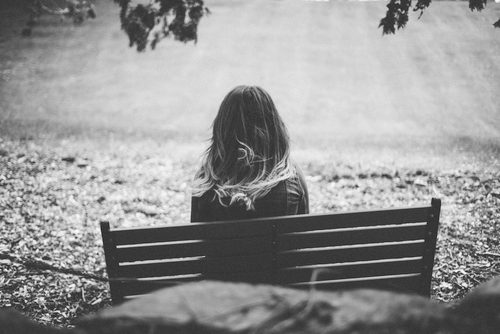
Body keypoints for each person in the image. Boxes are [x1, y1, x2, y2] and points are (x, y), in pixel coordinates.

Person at [191, 85, 309, 222]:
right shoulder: (292, 179)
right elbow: (304, 236)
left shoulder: (205, 182)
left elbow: (196, 237)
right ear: (273, 128)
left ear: (223, 129)